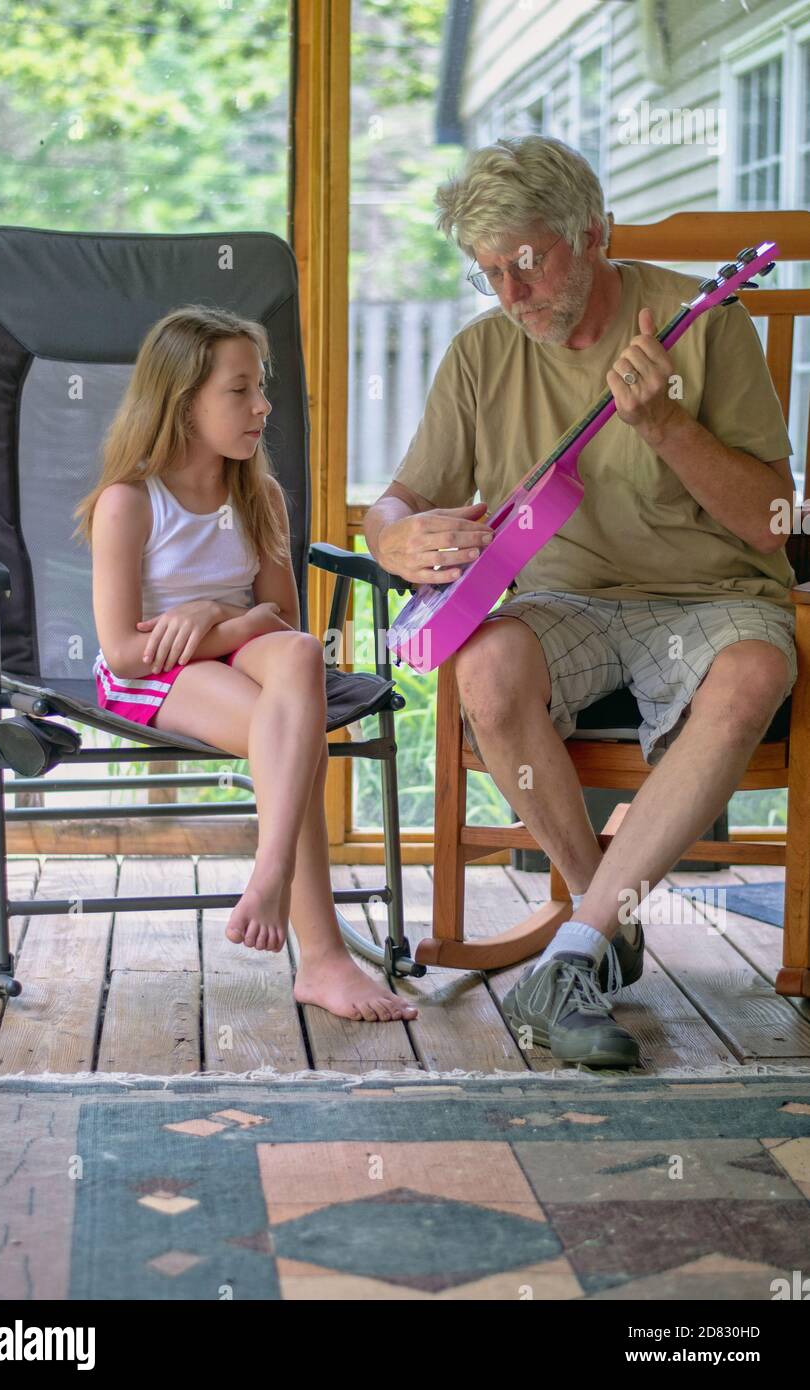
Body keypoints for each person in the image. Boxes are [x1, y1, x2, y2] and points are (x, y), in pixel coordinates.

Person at [364, 135, 797, 1068]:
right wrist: (395, 536)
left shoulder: (702, 322)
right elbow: (401, 498)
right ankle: (601, 915)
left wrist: (670, 427)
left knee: (756, 667)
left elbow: (771, 521)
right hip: (572, 604)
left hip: (712, 599)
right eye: (490, 276)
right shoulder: (481, 354)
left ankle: (571, 949)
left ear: (593, 232)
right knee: (485, 659)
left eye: (528, 264)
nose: (513, 298)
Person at [73, 304, 417, 1025]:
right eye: (239, 390)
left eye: (260, 387)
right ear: (182, 401)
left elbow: (282, 622)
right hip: (154, 673)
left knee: (296, 658)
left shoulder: (256, 495)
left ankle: (272, 871)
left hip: (242, 647)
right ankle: (321, 957)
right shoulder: (129, 502)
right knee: (287, 731)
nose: (262, 404)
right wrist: (213, 620)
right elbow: (124, 651)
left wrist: (212, 615)